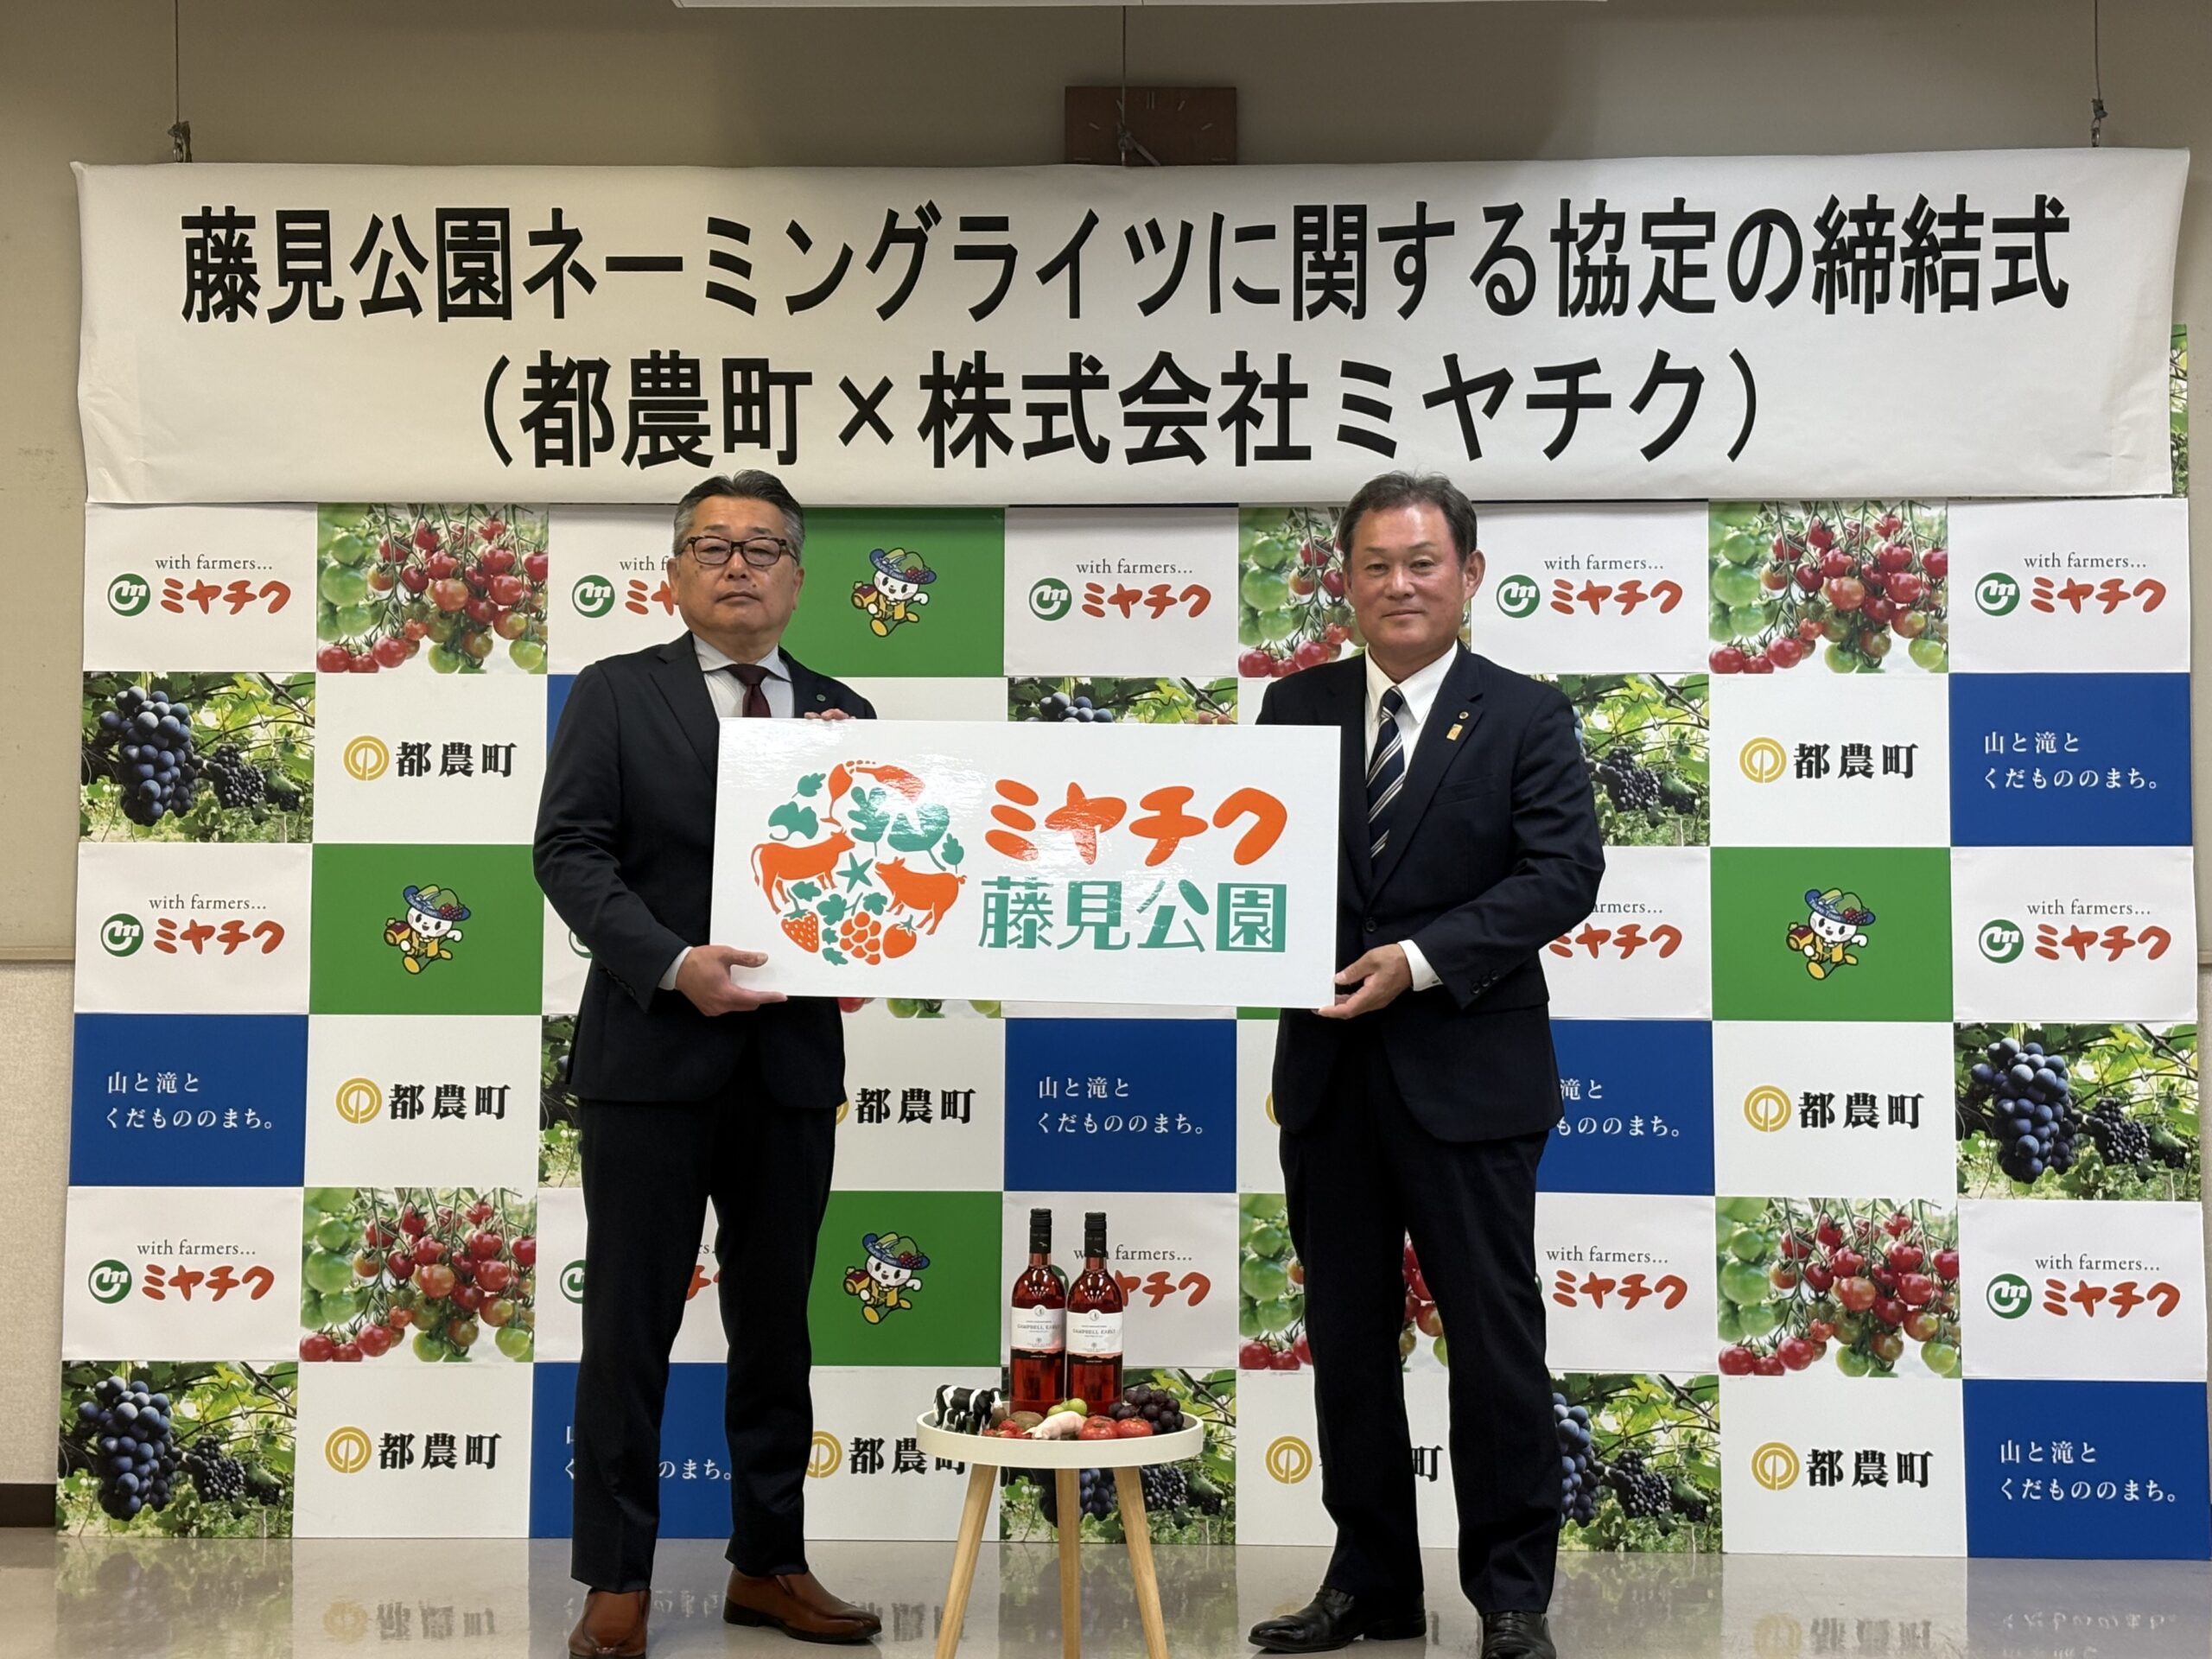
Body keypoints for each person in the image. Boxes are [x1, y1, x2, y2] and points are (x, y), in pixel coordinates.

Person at [1248, 474, 1604, 1659]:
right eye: (1376, 565)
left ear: (1469, 574)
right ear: (1345, 582)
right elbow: (1256, 864)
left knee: (1493, 1344)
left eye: (1422, 563)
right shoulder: (1295, 708)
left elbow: (1563, 875)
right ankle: (1372, 1584)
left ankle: (1512, 1595)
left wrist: (1415, 960)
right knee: (1347, 1341)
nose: (1399, 585)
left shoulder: (1526, 714)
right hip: (1329, 1077)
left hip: (1471, 1078)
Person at [536, 471, 880, 1658]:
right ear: (675, 572)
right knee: (631, 1324)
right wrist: (673, 963)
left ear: (798, 577)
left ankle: (769, 1564)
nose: (739, 565)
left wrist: (869, 944)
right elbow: (569, 852)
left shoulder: (845, 714)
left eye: (763, 547)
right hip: (650, 1056)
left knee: (776, 1327)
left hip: (789, 1066)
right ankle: (615, 1578)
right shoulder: (616, 693)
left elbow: (874, 872)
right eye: (714, 545)